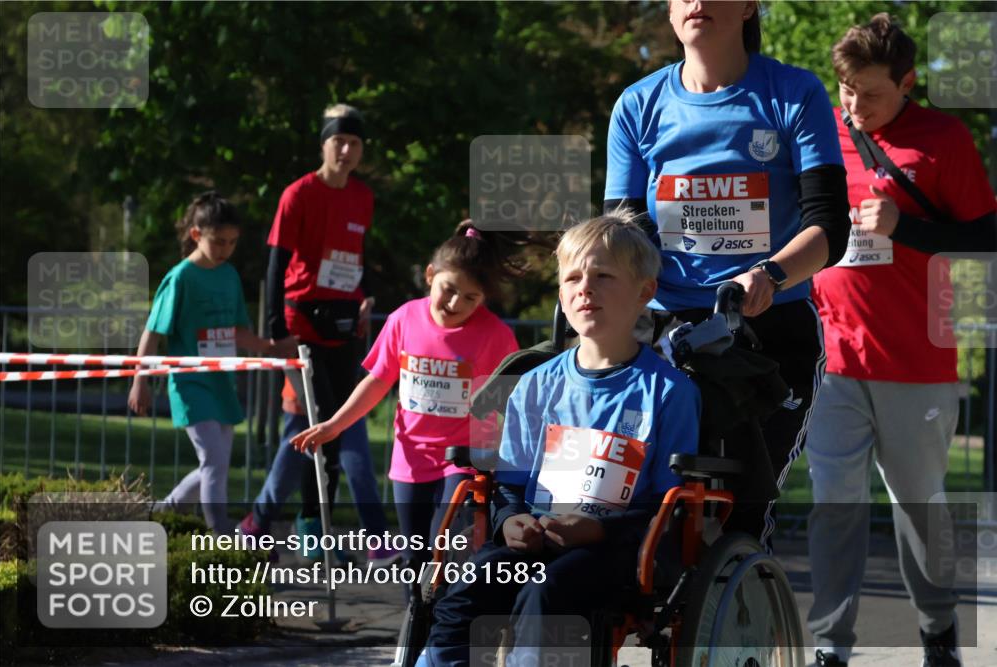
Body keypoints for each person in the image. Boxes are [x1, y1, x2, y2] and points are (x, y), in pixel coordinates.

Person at [604, 0, 850, 546]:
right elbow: (622, 240)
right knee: (642, 506)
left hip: (768, 333)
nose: (696, 3)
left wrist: (769, 275)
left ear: (746, 7)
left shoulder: (795, 93)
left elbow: (830, 229)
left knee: (738, 514)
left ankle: (741, 586)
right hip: (664, 334)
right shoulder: (637, 105)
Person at [415, 214, 701, 666]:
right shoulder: (535, 384)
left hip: (617, 546)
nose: (585, 288)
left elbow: (669, 504)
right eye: (572, 278)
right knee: (470, 584)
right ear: (562, 295)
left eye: (603, 276)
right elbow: (510, 483)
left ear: (644, 292)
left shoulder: (668, 392)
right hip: (535, 535)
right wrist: (511, 521)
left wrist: (598, 529)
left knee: (546, 591)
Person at [806, 14, 997, 667]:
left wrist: (903, 226)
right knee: (834, 505)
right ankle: (830, 645)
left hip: (916, 361)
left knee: (919, 509)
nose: (856, 106)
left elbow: (985, 238)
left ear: (908, 82)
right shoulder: (823, 133)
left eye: (872, 93)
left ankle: (937, 629)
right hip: (832, 356)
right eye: (847, 89)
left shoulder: (944, 139)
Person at [293, 220, 524, 567]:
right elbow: (377, 381)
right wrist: (335, 425)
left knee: (442, 547)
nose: (455, 303)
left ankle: (444, 603)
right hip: (410, 458)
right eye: (449, 289)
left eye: (470, 297)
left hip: (461, 459)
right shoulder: (403, 319)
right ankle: (415, 602)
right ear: (430, 275)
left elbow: (512, 403)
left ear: (484, 298)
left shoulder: (496, 335)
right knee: (415, 555)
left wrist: (499, 460)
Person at [128, 192, 294, 533]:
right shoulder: (180, 278)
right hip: (190, 384)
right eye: (218, 241)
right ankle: (221, 535)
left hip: (222, 383)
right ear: (196, 235)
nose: (225, 249)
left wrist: (269, 346)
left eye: (232, 242)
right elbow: (152, 333)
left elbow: (236, 331)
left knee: (213, 465)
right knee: (214, 463)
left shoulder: (229, 275)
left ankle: (162, 511)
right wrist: (139, 381)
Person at [262, 103, 381, 551]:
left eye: (355, 143)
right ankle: (311, 522)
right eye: (339, 142)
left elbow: (356, 255)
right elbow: (276, 263)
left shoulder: (363, 197)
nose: (346, 151)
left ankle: (277, 521)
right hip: (302, 324)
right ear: (324, 144)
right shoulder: (298, 194)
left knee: (323, 425)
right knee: (325, 422)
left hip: (345, 321)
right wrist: (276, 329)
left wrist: (366, 294)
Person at [239, 378, 396, 566]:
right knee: (288, 470)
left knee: (358, 467)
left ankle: (376, 538)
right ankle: (259, 522)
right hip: (305, 397)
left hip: (345, 399)